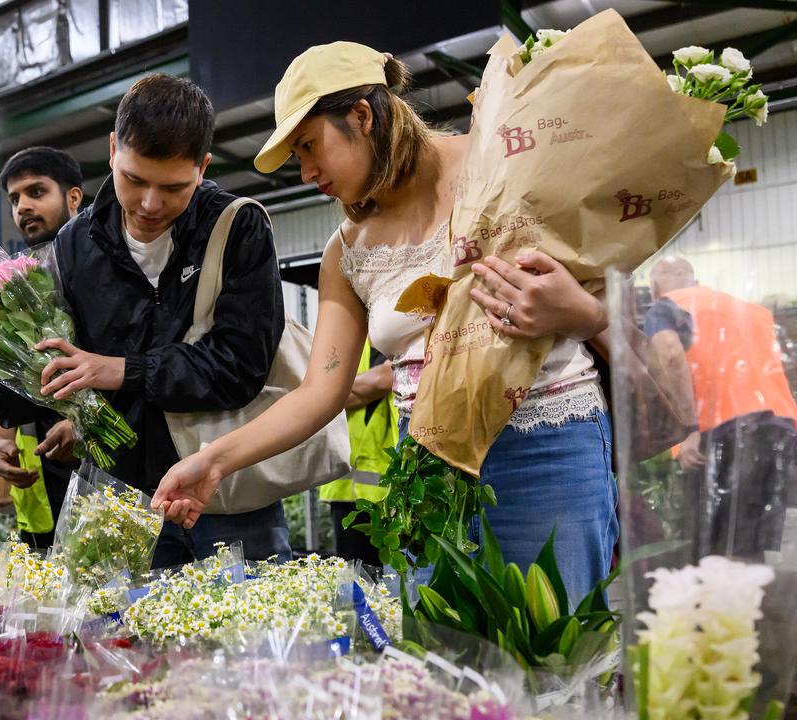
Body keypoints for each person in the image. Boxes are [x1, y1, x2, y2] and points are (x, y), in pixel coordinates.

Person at [152, 43, 615, 606]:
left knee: (555, 659)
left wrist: (582, 314)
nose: (307, 172)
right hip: (426, 476)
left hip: (544, 449)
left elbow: (615, 300)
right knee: (446, 672)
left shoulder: (504, 163)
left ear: (362, 117)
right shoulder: (346, 251)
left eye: (308, 146)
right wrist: (212, 460)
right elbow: (321, 392)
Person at [0, 74, 290, 567]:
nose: (151, 204)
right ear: (112, 150)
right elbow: (62, 361)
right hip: (117, 496)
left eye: (174, 187)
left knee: (253, 635)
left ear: (203, 166)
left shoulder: (237, 226)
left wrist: (122, 370)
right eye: (134, 179)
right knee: (117, 638)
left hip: (225, 493)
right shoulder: (74, 244)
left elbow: (242, 365)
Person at [644, 257, 797, 559]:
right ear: (697, 281)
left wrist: (688, 431)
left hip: (724, 433)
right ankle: (751, 604)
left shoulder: (665, 306)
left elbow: (670, 355)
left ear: (652, 289)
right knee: (749, 545)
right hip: (779, 429)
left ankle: (727, 605)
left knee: (715, 547)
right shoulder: (751, 311)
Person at [0, 146, 85, 548]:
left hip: (108, 463)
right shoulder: (17, 280)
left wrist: (86, 425)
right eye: (15, 199)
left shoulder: (103, 265)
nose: (23, 206)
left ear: (73, 197)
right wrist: (2, 440)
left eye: (36, 192)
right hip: (38, 467)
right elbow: (4, 375)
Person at [319, 342, 396, 565]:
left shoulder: (398, 332)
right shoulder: (348, 337)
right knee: (354, 584)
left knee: (393, 584)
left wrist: (335, 391)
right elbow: (320, 393)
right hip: (345, 489)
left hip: (390, 490)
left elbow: (387, 377)